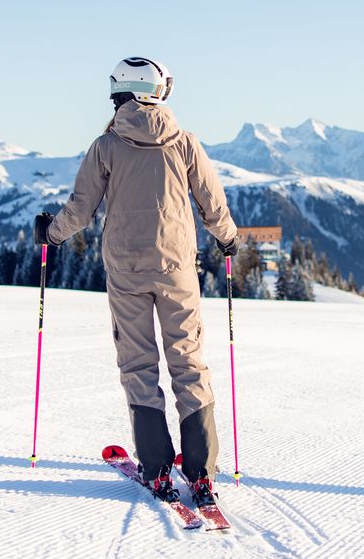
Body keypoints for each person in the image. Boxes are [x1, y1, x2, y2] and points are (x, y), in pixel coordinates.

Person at [35, 57, 239, 509]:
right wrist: (228, 240)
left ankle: (156, 465)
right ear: (159, 91)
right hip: (177, 268)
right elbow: (212, 201)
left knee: (139, 366)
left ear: (121, 93)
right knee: (188, 362)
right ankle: (202, 472)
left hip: (126, 270)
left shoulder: (106, 145)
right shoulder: (183, 143)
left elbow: (80, 209)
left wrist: (50, 234)